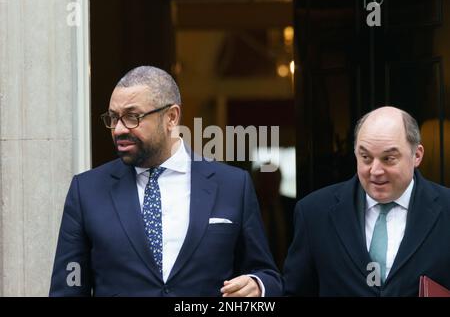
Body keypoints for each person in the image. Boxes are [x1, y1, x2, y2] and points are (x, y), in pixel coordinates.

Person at [49, 66, 282, 297]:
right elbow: (67, 289)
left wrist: (257, 285)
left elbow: (267, 275)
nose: (118, 129)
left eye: (132, 117)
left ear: (171, 117)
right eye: (113, 118)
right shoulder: (86, 191)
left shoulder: (232, 185)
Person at [283, 106, 450, 296]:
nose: (375, 171)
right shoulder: (314, 213)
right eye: (366, 158)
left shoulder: (446, 209)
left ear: (417, 155)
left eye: (388, 158)